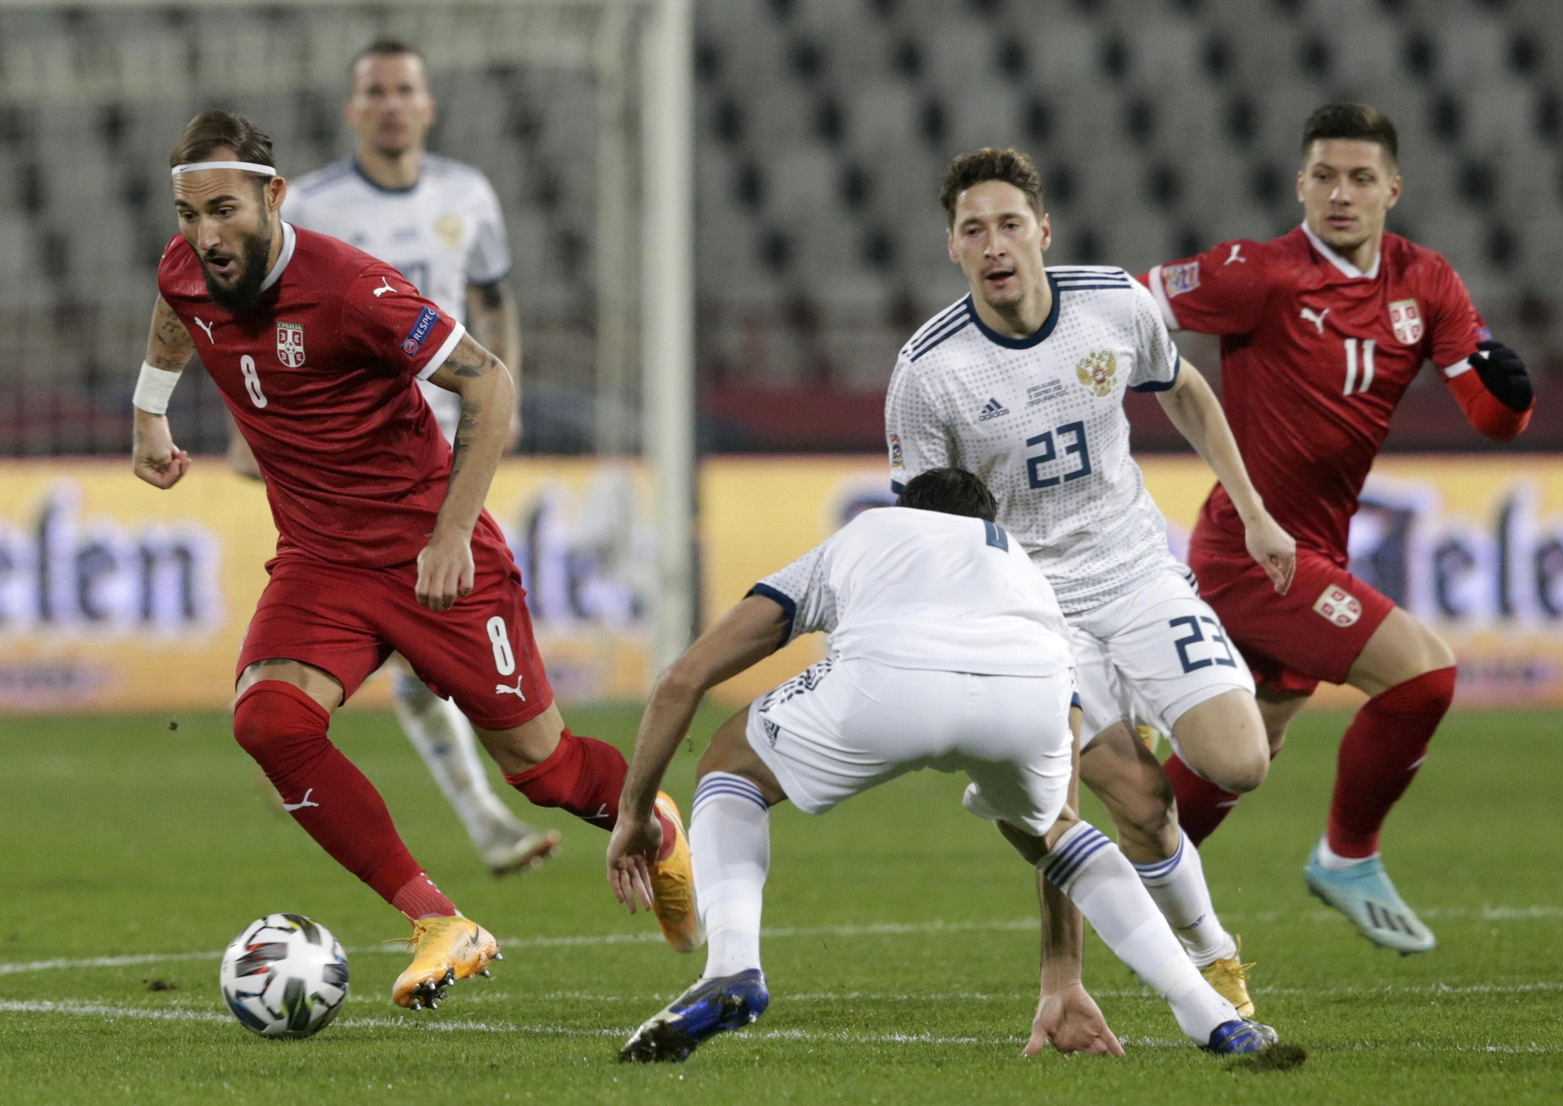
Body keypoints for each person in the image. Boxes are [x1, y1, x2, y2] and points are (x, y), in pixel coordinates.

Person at [132, 110, 697, 1010]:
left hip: (434, 551)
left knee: (544, 771)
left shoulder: (353, 288)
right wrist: (149, 410)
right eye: (189, 215)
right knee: (268, 724)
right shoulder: (187, 267)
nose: (205, 237)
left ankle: (653, 822)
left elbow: (489, 381)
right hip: (319, 559)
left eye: (224, 212)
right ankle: (440, 921)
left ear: (274, 198)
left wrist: (448, 534)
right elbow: (173, 306)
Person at [605, 467, 1279, 1061]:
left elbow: (681, 680)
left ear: (909, 511)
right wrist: (1062, 975)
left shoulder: (867, 533)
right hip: (1028, 682)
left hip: (888, 682)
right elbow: (1065, 771)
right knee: (1053, 831)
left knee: (730, 763)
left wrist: (635, 814)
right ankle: (1208, 1010)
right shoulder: (1023, 567)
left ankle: (732, 968)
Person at [883, 148, 1297, 1018]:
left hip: (1139, 571)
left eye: (1007, 224)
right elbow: (924, 528)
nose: (994, 244)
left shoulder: (1112, 302)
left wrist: (1253, 509)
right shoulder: (928, 374)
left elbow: (1183, 389)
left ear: (1042, 230)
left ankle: (1039, 782)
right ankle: (1204, 957)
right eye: (972, 230)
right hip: (1034, 607)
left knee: (1240, 760)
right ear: (951, 248)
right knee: (1132, 804)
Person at [1137, 103, 1534, 953]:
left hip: (1316, 544)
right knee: (1423, 677)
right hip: (1253, 551)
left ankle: (1120, 888)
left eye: (1359, 178)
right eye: (1323, 176)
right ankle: (1347, 855)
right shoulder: (1259, 273)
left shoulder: (1425, 282)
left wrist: (1512, 394)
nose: (1340, 194)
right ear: (1300, 184)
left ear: (1393, 187)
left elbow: (1492, 419)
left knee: (1243, 749)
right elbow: (1131, 308)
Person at [225, 39, 550, 879]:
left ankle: (306, 738)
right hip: (355, 453)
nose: (393, 104)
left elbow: (493, 297)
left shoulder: (468, 194)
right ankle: (479, 819)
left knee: (427, 630)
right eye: (376, 91)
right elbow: (261, 318)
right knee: (410, 631)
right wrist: (250, 421)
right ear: (353, 109)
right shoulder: (318, 207)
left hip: (449, 444)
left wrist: (504, 396)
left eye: (406, 89)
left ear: (428, 105)